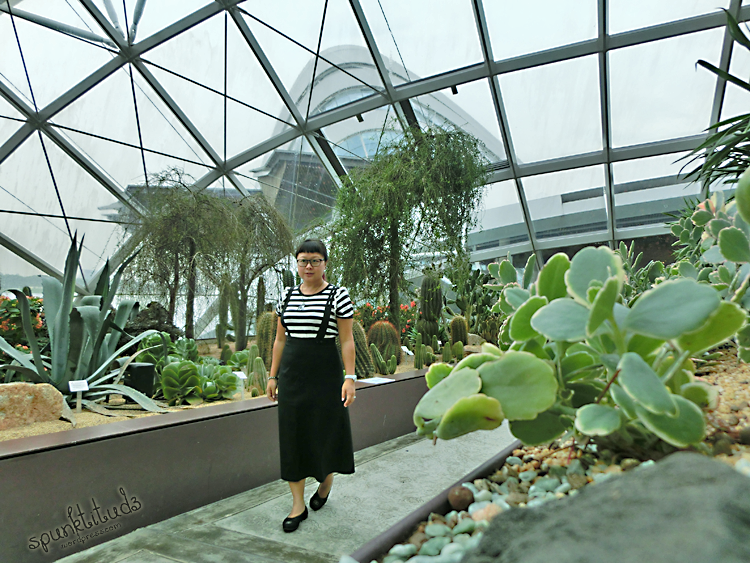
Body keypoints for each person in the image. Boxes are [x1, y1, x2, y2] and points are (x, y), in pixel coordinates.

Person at [266, 239, 356, 533]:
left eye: (315, 260)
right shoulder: (287, 296)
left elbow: (346, 340)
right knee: (293, 436)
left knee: (326, 431)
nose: (308, 266)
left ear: (325, 264)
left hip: (326, 375)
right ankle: (298, 504)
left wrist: (350, 378)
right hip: (292, 376)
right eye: (303, 260)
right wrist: (272, 375)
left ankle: (326, 479)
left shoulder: (338, 295)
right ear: (297, 263)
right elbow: (280, 339)